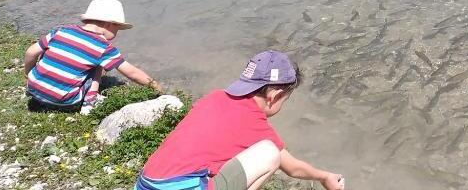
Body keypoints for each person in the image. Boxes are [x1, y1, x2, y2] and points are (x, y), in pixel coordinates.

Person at [136, 50, 344, 190]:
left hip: (145, 184)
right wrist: (324, 177)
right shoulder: (254, 122)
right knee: (270, 153)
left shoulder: (214, 97)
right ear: (275, 97)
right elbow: (293, 168)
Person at [23, 0, 163, 113]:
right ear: (109, 24)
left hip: (33, 90)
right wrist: (155, 86)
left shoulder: (61, 31)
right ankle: (90, 101)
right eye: (118, 28)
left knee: (50, 52)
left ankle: (40, 81)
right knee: (97, 65)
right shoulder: (102, 47)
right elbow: (132, 73)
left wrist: (29, 74)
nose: (117, 33)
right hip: (64, 101)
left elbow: (31, 52)